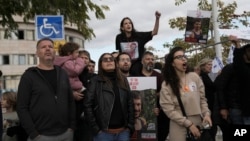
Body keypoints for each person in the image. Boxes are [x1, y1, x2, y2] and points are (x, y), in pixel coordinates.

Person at [17, 38, 76, 141]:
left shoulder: (63, 73)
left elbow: (70, 101)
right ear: (37, 53)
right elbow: (22, 107)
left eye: (50, 47)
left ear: (54, 52)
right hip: (41, 136)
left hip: (66, 134)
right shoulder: (29, 76)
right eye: (43, 47)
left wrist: (71, 127)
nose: (48, 49)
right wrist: (33, 133)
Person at [159, 46, 212, 141]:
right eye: (179, 57)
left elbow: (202, 100)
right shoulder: (167, 84)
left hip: (199, 123)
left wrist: (207, 114)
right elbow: (168, 110)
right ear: (172, 63)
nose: (183, 58)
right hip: (179, 126)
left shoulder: (194, 77)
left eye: (184, 56)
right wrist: (188, 124)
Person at [83, 53, 134, 141]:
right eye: (105, 60)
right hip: (103, 134)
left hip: (123, 132)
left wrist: (129, 126)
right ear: (100, 64)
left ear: (115, 63)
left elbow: (130, 103)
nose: (109, 61)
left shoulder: (123, 80)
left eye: (111, 59)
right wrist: (96, 129)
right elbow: (87, 105)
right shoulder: (94, 81)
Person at [132, 51, 169, 141]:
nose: (150, 61)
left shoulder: (160, 76)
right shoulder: (136, 76)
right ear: (142, 61)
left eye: (152, 59)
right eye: (147, 59)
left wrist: (158, 104)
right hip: (138, 116)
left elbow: (166, 95)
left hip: (157, 116)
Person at [115, 11, 161, 76]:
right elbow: (119, 52)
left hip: (137, 64)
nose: (128, 25)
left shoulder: (139, 36)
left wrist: (157, 19)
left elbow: (154, 32)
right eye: (126, 23)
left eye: (130, 23)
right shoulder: (119, 37)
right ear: (122, 28)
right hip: (125, 63)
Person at [198, 58, 217, 141]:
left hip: (209, 107)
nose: (211, 67)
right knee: (209, 130)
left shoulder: (205, 76)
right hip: (206, 108)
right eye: (208, 65)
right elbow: (213, 87)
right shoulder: (201, 77)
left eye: (211, 65)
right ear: (203, 66)